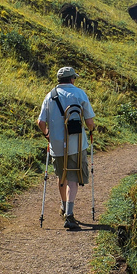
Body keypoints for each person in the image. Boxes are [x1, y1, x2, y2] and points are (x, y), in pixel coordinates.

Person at [37, 66, 96, 231]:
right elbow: (90, 122)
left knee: (61, 176)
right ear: (72, 79)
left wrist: (47, 134)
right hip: (76, 144)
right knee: (73, 178)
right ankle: (69, 214)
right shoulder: (79, 94)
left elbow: (41, 122)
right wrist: (91, 130)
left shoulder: (50, 96)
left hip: (56, 144)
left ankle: (63, 208)